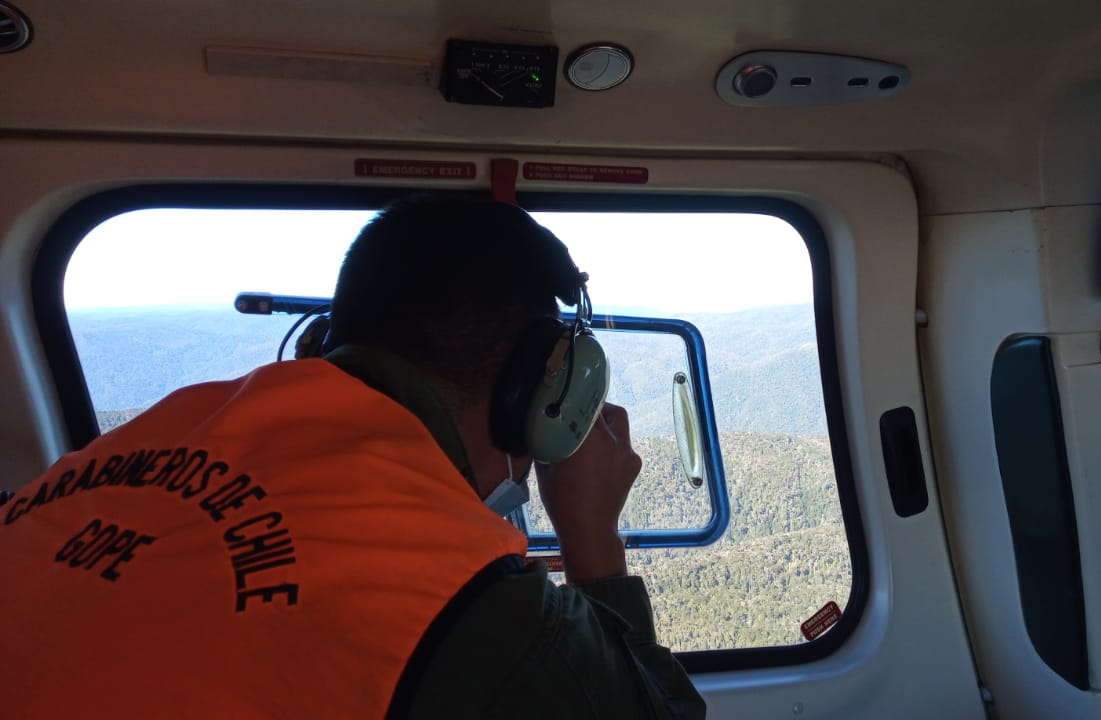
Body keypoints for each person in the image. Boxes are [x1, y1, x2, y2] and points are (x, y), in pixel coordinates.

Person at [0, 195, 706, 719]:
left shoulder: (160, 429)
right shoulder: (457, 597)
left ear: (323, 339)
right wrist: (593, 540)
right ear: (545, 393)